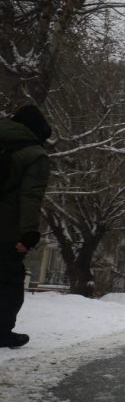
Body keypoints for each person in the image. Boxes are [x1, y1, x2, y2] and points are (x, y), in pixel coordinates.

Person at [0, 105, 52, 348]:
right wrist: (29, 233)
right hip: (6, 229)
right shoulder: (34, 153)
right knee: (9, 279)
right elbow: (30, 196)